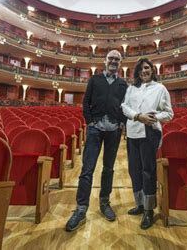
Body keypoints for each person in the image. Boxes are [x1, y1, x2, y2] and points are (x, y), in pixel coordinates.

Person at [65, 50, 128, 231]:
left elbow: (125, 106)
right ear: (105, 61)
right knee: (87, 169)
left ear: (120, 63)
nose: (113, 61)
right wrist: (90, 121)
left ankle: (104, 202)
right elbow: (86, 103)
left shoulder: (123, 84)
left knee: (108, 168)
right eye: (111, 58)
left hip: (113, 132)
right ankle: (81, 208)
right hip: (95, 130)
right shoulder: (95, 80)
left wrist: (121, 123)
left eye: (117, 59)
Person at [121, 58, 173, 229]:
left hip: (150, 132)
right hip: (133, 132)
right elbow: (124, 107)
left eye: (147, 68)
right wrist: (137, 116)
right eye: (141, 68)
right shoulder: (131, 89)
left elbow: (168, 113)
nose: (144, 71)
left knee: (148, 171)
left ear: (152, 70)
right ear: (137, 72)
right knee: (134, 170)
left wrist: (152, 117)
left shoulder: (160, 88)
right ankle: (140, 204)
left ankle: (149, 210)